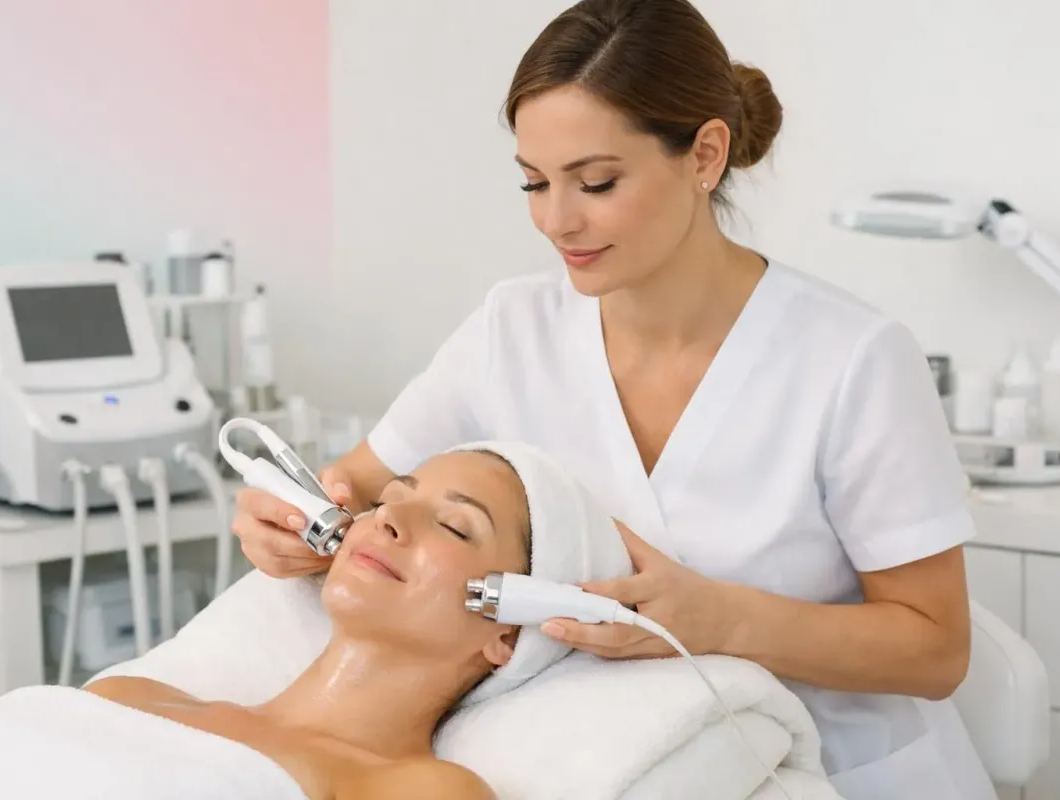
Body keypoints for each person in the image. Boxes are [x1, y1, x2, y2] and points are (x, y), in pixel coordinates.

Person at [233, 1, 996, 798]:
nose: (557, 220)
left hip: (844, 775)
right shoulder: (511, 331)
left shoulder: (851, 361)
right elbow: (350, 490)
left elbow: (936, 650)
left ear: (705, 155)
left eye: (597, 182)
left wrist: (716, 618)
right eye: (534, 182)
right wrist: (284, 519)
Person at [0, 444, 632, 800]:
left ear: (506, 628)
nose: (387, 518)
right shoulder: (126, 700)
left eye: (452, 525)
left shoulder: (423, 790)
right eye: (393, 497)